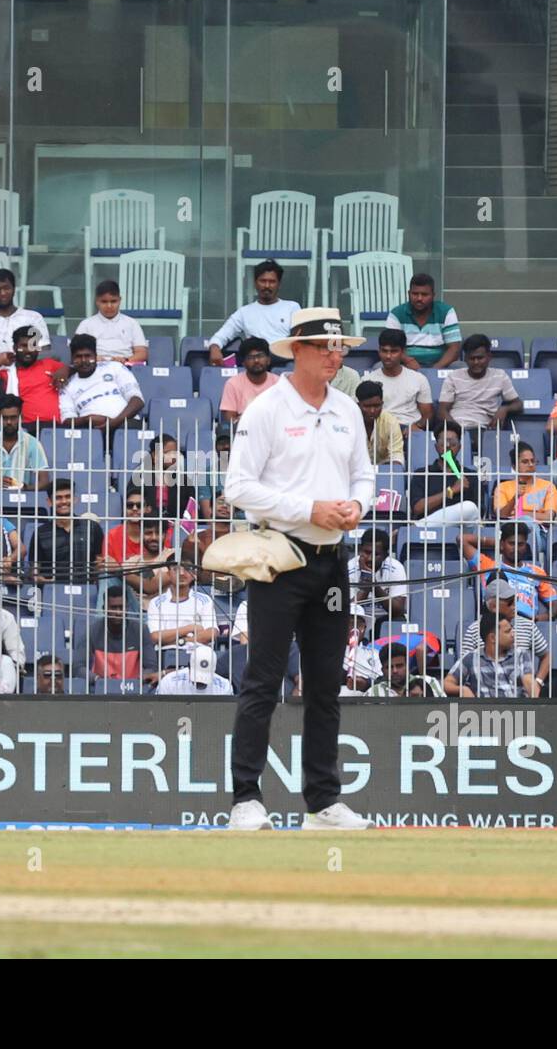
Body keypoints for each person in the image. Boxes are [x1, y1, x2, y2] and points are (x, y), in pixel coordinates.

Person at [223, 306, 376, 831]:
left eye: (340, 347)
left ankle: (322, 802)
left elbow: (364, 475)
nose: (337, 355)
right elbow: (237, 487)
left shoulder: (347, 409)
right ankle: (246, 799)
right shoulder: (267, 409)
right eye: (328, 346)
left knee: (326, 685)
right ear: (301, 350)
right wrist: (307, 509)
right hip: (280, 557)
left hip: (332, 560)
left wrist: (359, 505)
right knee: (262, 679)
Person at [207, 260, 300, 364]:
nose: (267, 286)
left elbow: (299, 339)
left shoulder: (292, 307)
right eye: (263, 281)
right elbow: (221, 335)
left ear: (279, 284)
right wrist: (214, 348)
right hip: (256, 365)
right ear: (255, 283)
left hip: (285, 363)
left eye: (272, 281)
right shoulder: (244, 312)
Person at [462, 522, 557, 620]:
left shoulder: (537, 571)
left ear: (526, 546)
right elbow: (463, 540)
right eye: (511, 543)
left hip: (527, 624)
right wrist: (498, 544)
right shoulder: (488, 565)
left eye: (520, 544)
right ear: (502, 544)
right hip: (497, 623)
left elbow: (555, 607)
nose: (516, 548)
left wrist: (536, 619)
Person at [460, 577, 550, 683]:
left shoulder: (528, 626)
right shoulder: (474, 629)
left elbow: (546, 655)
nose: (514, 606)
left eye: (515, 600)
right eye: (509, 602)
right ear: (493, 606)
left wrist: (538, 682)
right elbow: (462, 668)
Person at [58, 333, 144, 431]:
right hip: (91, 430)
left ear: (95, 356)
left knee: (157, 444)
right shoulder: (67, 385)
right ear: (72, 358)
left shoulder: (114, 367)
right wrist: (87, 419)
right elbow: (67, 420)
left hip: (126, 424)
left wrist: (113, 423)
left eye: (88, 356)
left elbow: (137, 401)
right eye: (78, 356)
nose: (83, 360)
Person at [435, 334, 522, 430]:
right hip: (456, 428)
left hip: (483, 429)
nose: (476, 362)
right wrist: (458, 431)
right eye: (472, 358)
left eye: (480, 358)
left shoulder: (500, 376)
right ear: (465, 359)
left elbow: (518, 404)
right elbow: (442, 411)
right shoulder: (453, 377)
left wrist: (504, 409)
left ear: (489, 357)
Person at [445, 613, 540, 698]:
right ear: (493, 638)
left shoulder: (521, 655)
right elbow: (446, 683)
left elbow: (529, 681)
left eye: (512, 630)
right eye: (508, 631)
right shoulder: (471, 658)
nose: (513, 634)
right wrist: (462, 689)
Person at [75, 583, 154, 683]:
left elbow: (151, 667)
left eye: (121, 607)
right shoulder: (92, 630)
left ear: (127, 608)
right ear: (104, 609)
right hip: (100, 691)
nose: (118, 612)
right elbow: (78, 667)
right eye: (113, 607)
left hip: (132, 692)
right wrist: (97, 680)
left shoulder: (141, 630)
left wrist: (138, 681)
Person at [145, 550, 218, 659]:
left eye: (187, 569)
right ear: (168, 574)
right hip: (166, 656)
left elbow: (211, 634)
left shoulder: (204, 600)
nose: (182, 573)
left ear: (194, 574)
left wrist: (180, 640)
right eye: (176, 569)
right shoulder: (156, 603)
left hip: (198, 655)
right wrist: (191, 627)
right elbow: (156, 637)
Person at [408, 420, 482, 526]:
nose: (448, 447)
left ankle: (415, 527)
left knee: (469, 507)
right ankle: (418, 527)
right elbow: (418, 509)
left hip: (462, 531)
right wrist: (451, 491)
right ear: (436, 447)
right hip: (429, 530)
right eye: (443, 443)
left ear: (459, 447)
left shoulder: (470, 476)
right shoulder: (422, 474)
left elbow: (477, 512)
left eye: (453, 443)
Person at [29, 477, 103, 582]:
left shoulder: (92, 528)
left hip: (87, 591)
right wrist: (38, 578)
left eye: (68, 496)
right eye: (58, 497)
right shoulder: (41, 533)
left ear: (75, 499)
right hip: (52, 592)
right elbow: (34, 569)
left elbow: (99, 562)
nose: (64, 501)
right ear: (49, 502)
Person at [384, 273, 461, 369]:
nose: (419, 298)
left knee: (460, 367)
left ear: (433, 295)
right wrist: (408, 360)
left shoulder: (446, 312)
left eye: (424, 294)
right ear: (409, 294)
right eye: (415, 294)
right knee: (379, 367)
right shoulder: (396, 314)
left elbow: (454, 348)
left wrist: (435, 369)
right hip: (406, 365)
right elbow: (390, 346)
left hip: (440, 364)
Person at [362, 328, 432, 431]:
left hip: (409, 429)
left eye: (394, 351)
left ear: (403, 352)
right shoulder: (367, 380)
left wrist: (417, 426)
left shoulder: (419, 379)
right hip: (380, 430)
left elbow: (428, 415)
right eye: (384, 351)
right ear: (379, 351)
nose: (388, 356)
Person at [0, 325, 67, 425]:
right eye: (24, 346)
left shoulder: (49, 364)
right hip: (26, 428)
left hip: (55, 427)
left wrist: (65, 370)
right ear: (15, 348)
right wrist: (0, 359)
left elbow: (74, 368)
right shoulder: (7, 372)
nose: (29, 350)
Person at [348, 526, 406, 631]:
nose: (370, 558)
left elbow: (398, 610)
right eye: (366, 552)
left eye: (376, 554)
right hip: (359, 617)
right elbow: (348, 610)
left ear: (385, 555)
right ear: (360, 550)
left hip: (386, 619)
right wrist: (365, 585)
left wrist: (375, 587)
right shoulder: (350, 568)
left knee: (399, 620)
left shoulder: (396, 568)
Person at [76, 279, 148, 363]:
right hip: (94, 367)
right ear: (97, 301)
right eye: (104, 302)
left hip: (125, 367)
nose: (109, 306)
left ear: (120, 300)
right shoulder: (86, 324)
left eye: (113, 301)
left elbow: (142, 353)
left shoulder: (132, 323)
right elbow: (76, 352)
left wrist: (126, 360)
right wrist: (92, 358)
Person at [492, 441, 557, 526]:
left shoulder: (549, 486)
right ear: (514, 466)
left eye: (533, 461)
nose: (530, 464)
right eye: (525, 462)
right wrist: (514, 498)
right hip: (510, 530)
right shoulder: (502, 487)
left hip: (538, 529)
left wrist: (520, 514)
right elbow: (501, 515)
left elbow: (548, 517)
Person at [219, 337, 279, 423]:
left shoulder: (278, 383)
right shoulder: (232, 384)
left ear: (268, 360)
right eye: (250, 357)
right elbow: (230, 420)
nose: (256, 360)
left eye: (260, 356)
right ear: (243, 363)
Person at [364, 644, 444, 698]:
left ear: (408, 666)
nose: (395, 671)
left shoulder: (429, 682)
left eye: (399, 666)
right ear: (382, 670)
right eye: (389, 667)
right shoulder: (373, 693)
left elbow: (446, 711)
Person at [155, 643, 234, 695]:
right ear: (189, 666)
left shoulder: (224, 686)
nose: (200, 683)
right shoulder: (169, 682)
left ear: (214, 670)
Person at [356, 381, 405, 465]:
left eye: (376, 406)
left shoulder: (390, 422)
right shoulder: (348, 421)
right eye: (367, 406)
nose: (372, 411)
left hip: (385, 469)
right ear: (358, 405)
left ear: (382, 404)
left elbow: (397, 455)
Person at [339, 605, 383, 696]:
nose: (354, 629)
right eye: (349, 623)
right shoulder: (329, 651)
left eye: (358, 625)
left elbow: (383, 681)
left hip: (368, 700)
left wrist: (365, 684)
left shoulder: (375, 654)